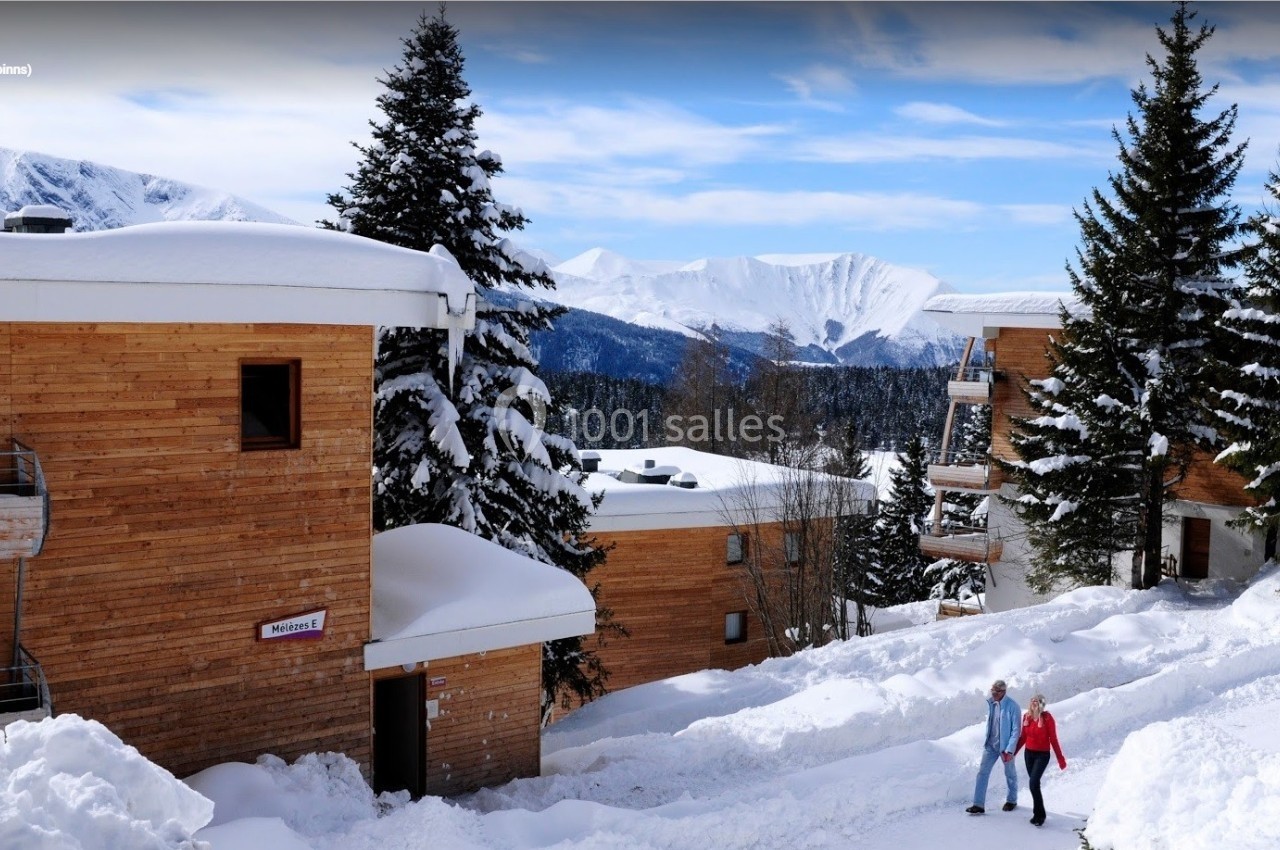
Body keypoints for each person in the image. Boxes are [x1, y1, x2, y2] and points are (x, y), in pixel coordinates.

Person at [966, 679, 1020, 815]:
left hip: (1005, 748)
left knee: (1010, 774)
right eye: (992, 691)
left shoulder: (1013, 706)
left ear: (1003, 692)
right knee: (982, 773)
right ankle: (978, 805)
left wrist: (1010, 749)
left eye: (996, 692)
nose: (993, 694)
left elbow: (1016, 730)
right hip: (990, 745)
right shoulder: (991, 703)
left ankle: (1012, 800)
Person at [1014, 693, 1067, 826]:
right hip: (1029, 754)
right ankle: (1038, 812)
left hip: (1042, 755)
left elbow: (1053, 740)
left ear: (1041, 704)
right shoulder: (1026, 717)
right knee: (1034, 784)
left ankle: (1040, 815)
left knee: (1033, 783)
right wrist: (1012, 753)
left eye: (1036, 702)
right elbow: (1023, 738)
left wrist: (1060, 759)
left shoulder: (1048, 718)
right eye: (1032, 701)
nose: (1033, 703)